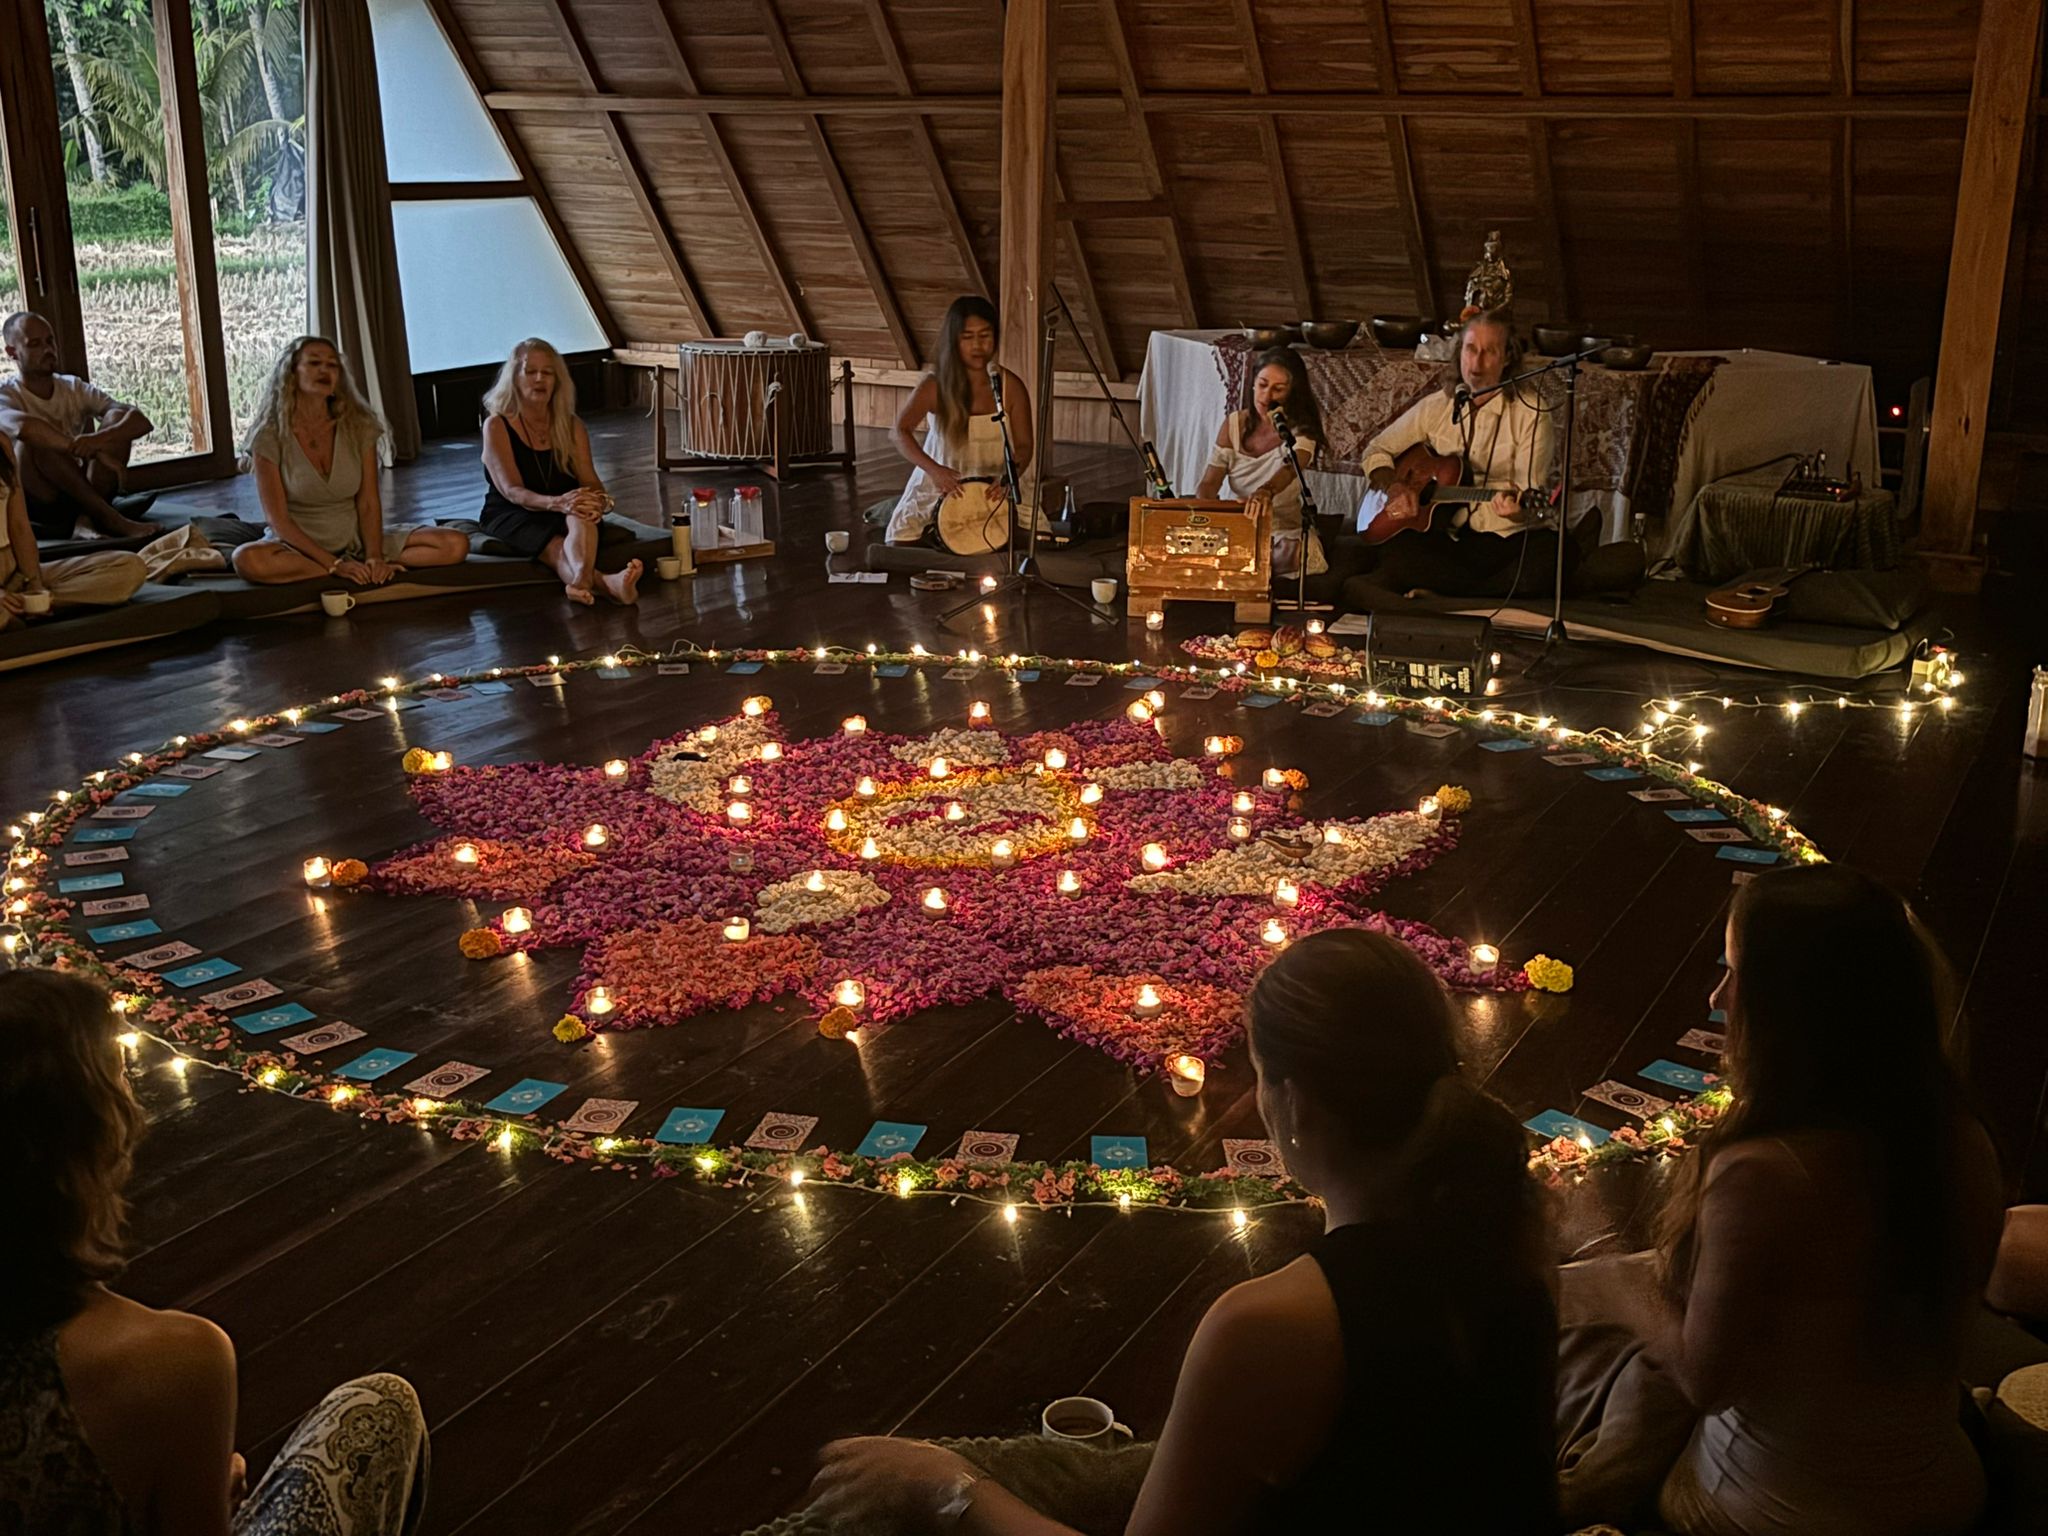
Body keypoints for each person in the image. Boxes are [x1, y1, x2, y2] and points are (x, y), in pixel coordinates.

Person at [793, 928, 1560, 1535]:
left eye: (1258, 1074)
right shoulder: (1514, 1230)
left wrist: (946, 1490)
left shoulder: (1273, 1323)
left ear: (1293, 1105)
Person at [1560, 866, 2003, 1536]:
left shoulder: (1764, 1176)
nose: (1717, 996)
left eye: (1738, 973)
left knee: (1585, 1351)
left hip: (1770, 1512)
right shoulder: (1964, 1139)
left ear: (1797, 1008)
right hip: (1946, 1488)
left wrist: (1592, 1236)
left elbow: (1703, 1379)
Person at [0, 967, 429, 1533]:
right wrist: (209, 1495)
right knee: (380, 1411)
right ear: (91, 1136)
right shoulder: (169, 1359)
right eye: (120, 1080)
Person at [1352, 311, 1569, 599]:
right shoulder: (1438, 405)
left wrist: (1518, 512)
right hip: (1446, 536)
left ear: (1507, 358)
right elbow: (1376, 449)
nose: (1476, 363)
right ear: (1459, 353)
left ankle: (1450, 595)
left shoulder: (1530, 411)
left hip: (1504, 538)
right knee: (1398, 555)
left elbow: (1528, 490)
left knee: (1555, 557)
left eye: (1489, 351)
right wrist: (1395, 485)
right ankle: (1476, 594)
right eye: (1470, 349)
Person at [233, 337, 468, 586]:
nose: (324, 370)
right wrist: (333, 564)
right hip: (297, 547)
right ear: (291, 373)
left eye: (332, 365)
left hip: (356, 541)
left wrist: (375, 556)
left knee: (455, 544)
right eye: (314, 363)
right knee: (247, 559)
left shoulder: (358, 426)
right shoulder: (269, 436)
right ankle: (336, 574)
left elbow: (368, 502)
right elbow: (278, 520)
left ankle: (360, 570)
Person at [478, 337, 638, 605]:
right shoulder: (497, 425)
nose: (539, 379)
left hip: (565, 505)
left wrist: (596, 501)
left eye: (547, 373)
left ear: (557, 381)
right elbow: (512, 491)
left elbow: (590, 480)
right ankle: (607, 583)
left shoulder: (572, 425)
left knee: (581, 509)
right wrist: (557, 503)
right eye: (530, 372)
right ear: (515, 378)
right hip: (513, 511)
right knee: (553, 547)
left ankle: (580, 584)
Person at [885, 296, 1033, 547]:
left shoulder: (1009, 386)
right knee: (901, 543)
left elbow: (1025, 444)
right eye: (968, 337)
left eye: (985, 335)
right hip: (944, 484)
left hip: (996, 486)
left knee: (1036, 543)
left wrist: (1011, 476)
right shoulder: (935, 386)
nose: (978, 345)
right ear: (954, 341)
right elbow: (900, 431)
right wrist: (934, 470)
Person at [0, 310, 159, 540]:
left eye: (49, 341)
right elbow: (25, 427)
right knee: (35, 442)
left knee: (116, 419)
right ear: (12, 352)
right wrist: (83, 448)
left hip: (81, 489)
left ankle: (85, 519)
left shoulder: (71, 386)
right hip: (40, 497)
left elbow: (140, 421)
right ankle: (110, 519)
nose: (47, 350)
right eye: (35, 344)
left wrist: (97, 441)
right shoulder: (6, 395)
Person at [1194, 346, 1328, 578]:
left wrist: (1266, 491)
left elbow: (1289, 469)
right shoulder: (1234, 424)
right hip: (1239, 525)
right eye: (1263, 384)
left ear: (1292, 392)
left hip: (1283, 530)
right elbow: (1209, 482)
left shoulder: (1302, 430)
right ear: (1253, 383)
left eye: (1278, 389)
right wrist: (1206, 515)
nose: (1266, 397)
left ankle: (1243, 570)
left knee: (1291, 553)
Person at [0, 436, 145, 626]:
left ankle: (28, 607)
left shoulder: (2, 443)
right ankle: (14, 612)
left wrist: (35, 583)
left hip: (14, 570)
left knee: (130, 569)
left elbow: (19, 526)